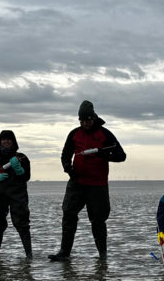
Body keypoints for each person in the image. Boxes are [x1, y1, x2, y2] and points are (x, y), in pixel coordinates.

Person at [48, 100, 126, 261]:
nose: (85, 124)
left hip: (98, 185)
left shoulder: (105, 134)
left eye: (88, 120)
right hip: (76, 182)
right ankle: (65, 252)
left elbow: (121, 156)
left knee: (98, 220)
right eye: (82, 121)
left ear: (94, 118)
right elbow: (65, 155)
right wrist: (67, 167)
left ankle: (102, 255)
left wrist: (104, 155)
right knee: (68, 214)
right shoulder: (74, 134)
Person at [0, 129, 32, 259]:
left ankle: (29, 255)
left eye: (9, 139)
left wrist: (19, 169)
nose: (6, 141)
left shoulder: (22, 157)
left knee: (22, 224)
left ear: (14, 142)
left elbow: (27, 176)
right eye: (4, 139)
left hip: (18, 194)